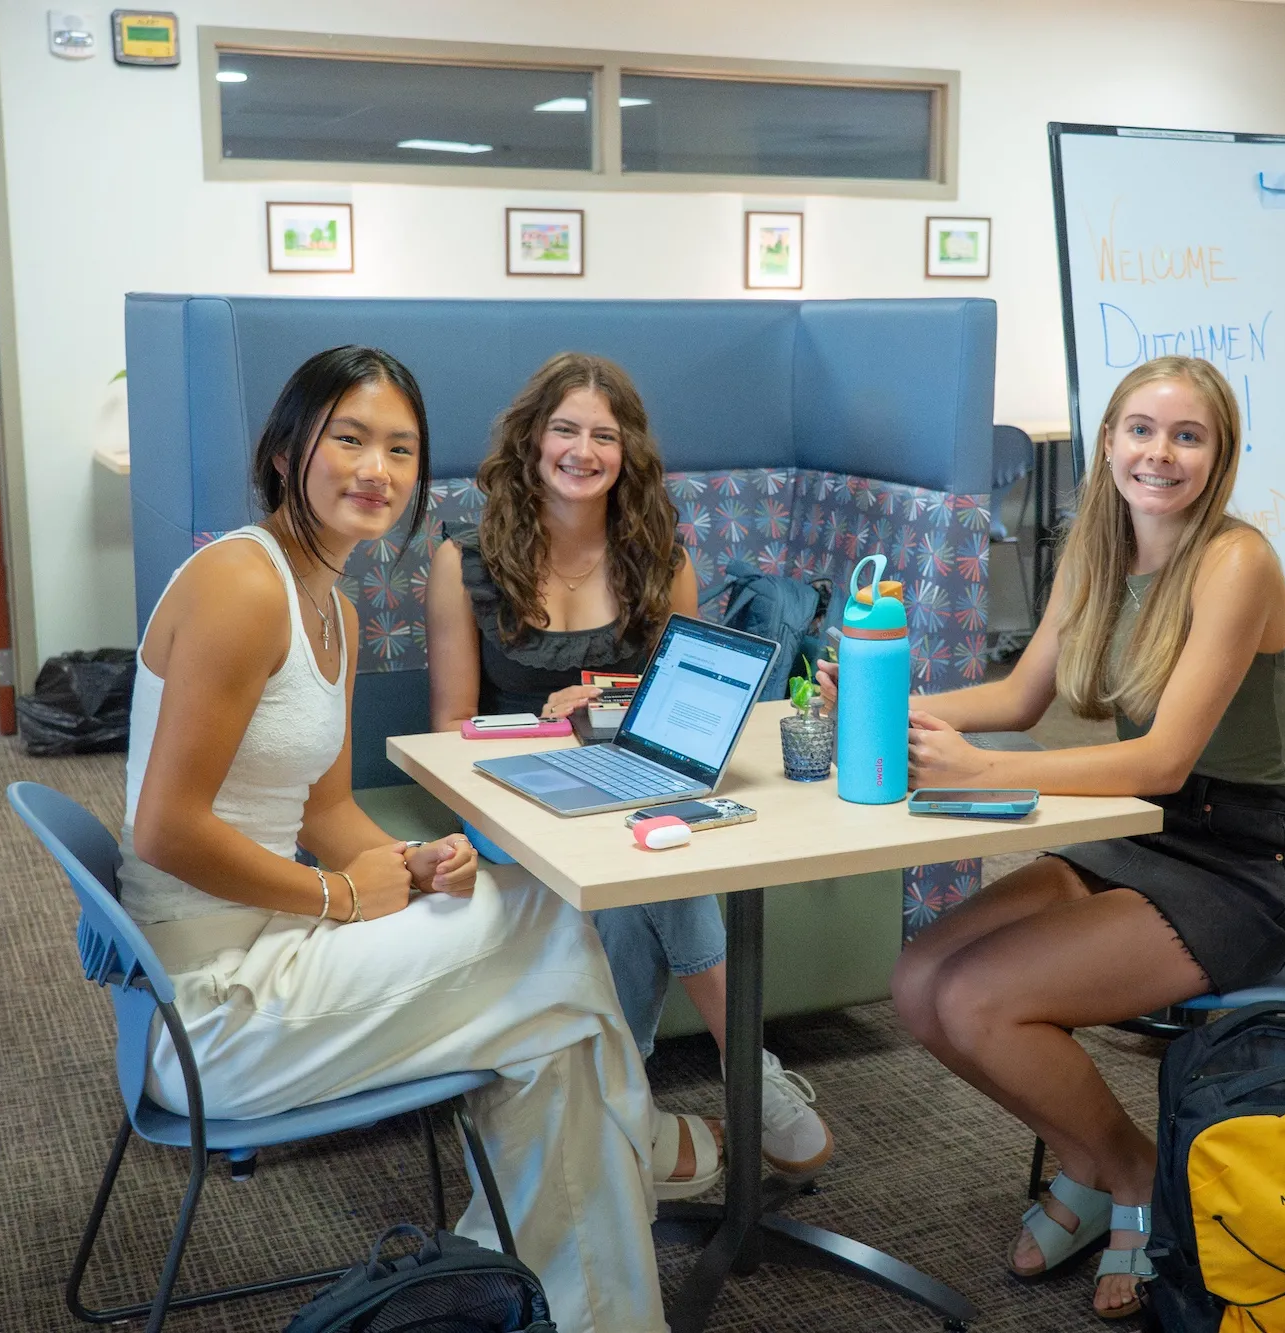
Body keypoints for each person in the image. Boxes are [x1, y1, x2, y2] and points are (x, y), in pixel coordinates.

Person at [120, 345, 663, 1333]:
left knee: (546, 1028)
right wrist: (339, 896)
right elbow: (162, 829)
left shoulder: (328, 602)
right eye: (351, 439)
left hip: (275, 948)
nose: (376, 469)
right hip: (212, 1010)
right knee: (550, 931)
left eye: (400, 449)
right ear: (288, 450)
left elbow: (324, 813)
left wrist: (409, 863)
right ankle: (637, 1170)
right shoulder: (241, 585)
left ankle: (536, 1294)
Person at [821, 356, 1285, 1319]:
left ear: (1220, 455)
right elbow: (1018, 696)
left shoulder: (1236, 560)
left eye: (1186, 435)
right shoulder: (1098, 546)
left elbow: (1165, 759)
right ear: (1108, 443)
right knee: (920, 981)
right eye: (1138, 429)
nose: (1157, 453)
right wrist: (880, 705)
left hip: (1240, 858)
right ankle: (1090, 1162)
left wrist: (989, 772)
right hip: (1137, 832)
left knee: (984, 999)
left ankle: (1135, 1176)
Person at [425, 351, 834, 1201]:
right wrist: (550, 721)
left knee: (651, 843)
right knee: (652, 853)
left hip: (633, 785)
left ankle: (624, 1100)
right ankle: (744, 1068)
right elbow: (449, 731)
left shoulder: (660, 556)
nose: (583, 449)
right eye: (565, 429)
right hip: (510, 797)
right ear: (533, 442)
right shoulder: (462, 561)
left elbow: (687, 705)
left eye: (603, 435)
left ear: (627, 452)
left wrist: (608, 702)